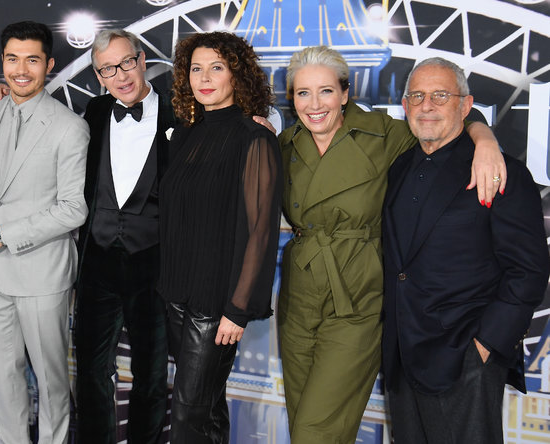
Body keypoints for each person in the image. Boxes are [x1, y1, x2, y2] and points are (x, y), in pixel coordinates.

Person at [277, 45, 506, 443]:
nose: (314, 104)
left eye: (326, 91)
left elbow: (443, 123)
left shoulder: (383, 133)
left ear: (345, 93)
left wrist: (484, 138)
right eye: (303, 93)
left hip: (356, 300)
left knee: (316, 433)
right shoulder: (284, 144)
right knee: (303, 426)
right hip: (298, 299)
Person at [381, 58, 550, 443]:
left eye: (440, 96)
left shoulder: (500, 172)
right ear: (404, 106)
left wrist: (484, 346)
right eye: (417, 96)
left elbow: (528, 271)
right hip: (402, 356)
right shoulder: (399, 167)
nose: (427, 105)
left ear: (465, 105)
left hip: (464, 356)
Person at [158, 31, 283, 443]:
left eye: (217, 67)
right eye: (196, 68)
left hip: (215, 305)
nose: (205, 78)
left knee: (188, 415)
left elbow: (261, 230)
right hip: (176, 295)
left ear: (237, 76)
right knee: (206, 410)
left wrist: (238, 308)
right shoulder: (186, 134)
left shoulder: (254, 137)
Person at [0, 21, 89, 444]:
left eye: (32, 60)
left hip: (41, 271)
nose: (21, 70)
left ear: (49, 64)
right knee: (3, 379)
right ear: (2, 62)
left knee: (52, 381)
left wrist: (5, 234)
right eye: (12, 59)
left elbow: (74, 209)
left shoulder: (69, 126)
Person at [74, 29, 171, 443]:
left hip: (153, 261)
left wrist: (261, 121)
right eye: (108, 69)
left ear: (142, 59)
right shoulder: (94, 112)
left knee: (151, 371)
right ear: (99, 76)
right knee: (90, 370)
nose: (121, 75)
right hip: (97, 258)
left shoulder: (179, 114)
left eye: (127, 62)